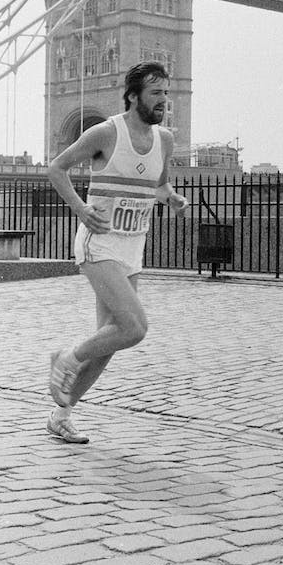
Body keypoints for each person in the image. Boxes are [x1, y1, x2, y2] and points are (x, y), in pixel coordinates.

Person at [46, 61, 189, 442]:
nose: (164, 100)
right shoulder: (106, 133)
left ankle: (61, 415)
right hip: (99, 244)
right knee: (134, 327)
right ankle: (66, 358)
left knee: (109, 342)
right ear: (133, 96)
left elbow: (159, 186)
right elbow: (57, 168)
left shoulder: (165, 140)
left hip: (132, 249)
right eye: (155, 93)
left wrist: (172, 198)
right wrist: (81, 209)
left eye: (166, 93)